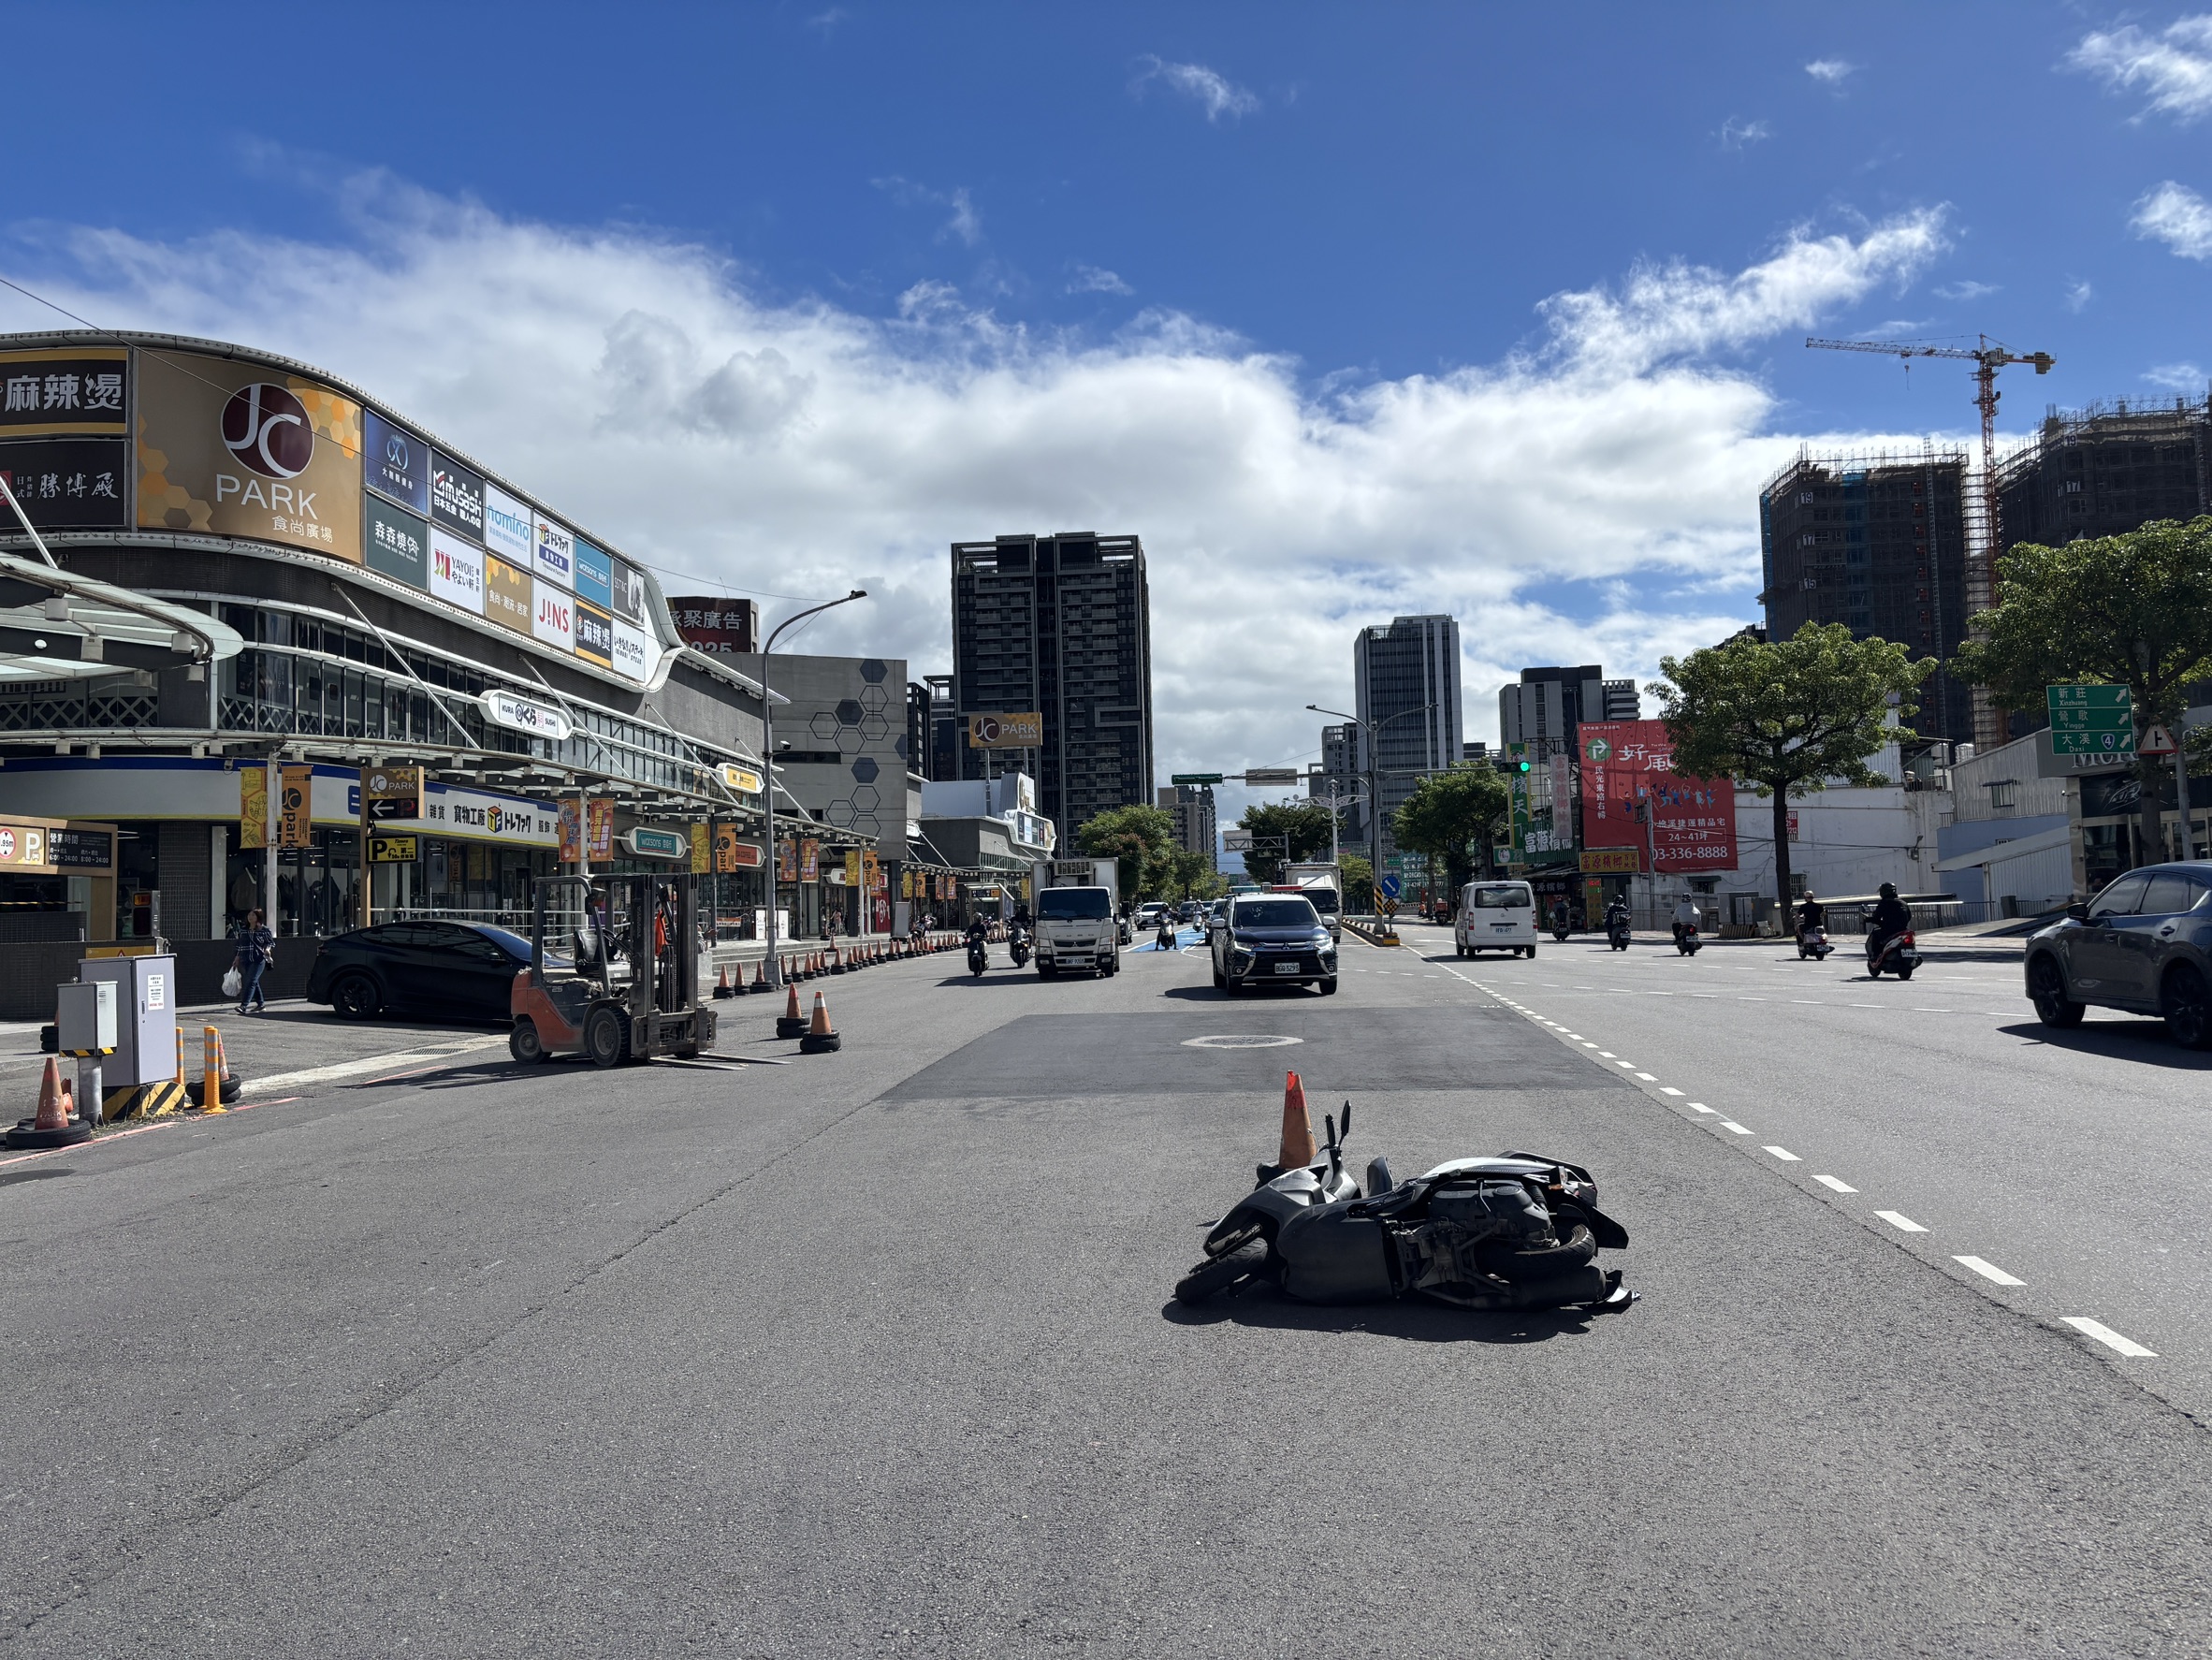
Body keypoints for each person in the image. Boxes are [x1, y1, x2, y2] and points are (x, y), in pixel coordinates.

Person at [233, 909, 274, 1014]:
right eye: (249, 915)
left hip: (258, 959)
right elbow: (239, 945)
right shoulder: (243, 930)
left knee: (251, 981)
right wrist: (237, 958)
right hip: (246, 958)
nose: (250, 917)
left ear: (258, 917)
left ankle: (244, 1005)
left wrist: (267, 949)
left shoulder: (263, 930)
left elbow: (270, 942)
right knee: (254, 982)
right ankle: (260, 1004)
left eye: (253, 915)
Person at [1866, 881, 1910, 964]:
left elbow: (1877, 918)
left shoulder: (1884, 903)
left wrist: (1869, 919)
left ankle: (1875, 955)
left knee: (1875, 933)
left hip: (1889, 930)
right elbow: (1909, 916)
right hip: (1903, 930)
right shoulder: (1903, 903)